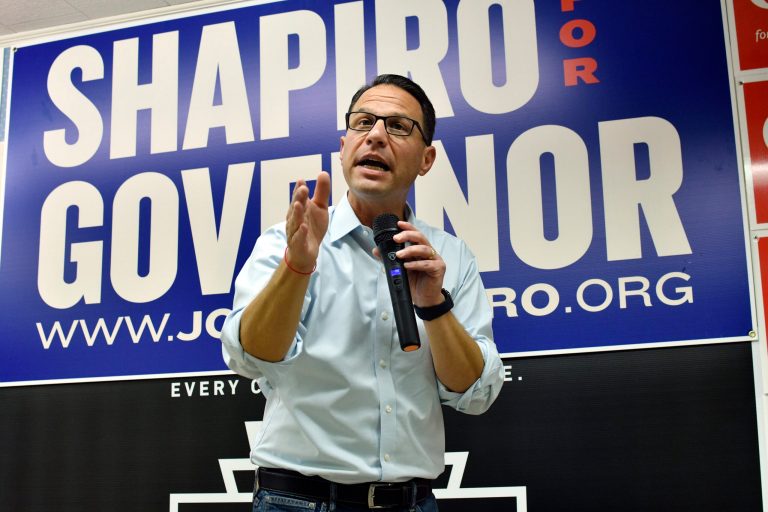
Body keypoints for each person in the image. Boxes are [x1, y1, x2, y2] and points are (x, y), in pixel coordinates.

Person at [220, 74, 504, 512]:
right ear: (343, 146)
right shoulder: (286, 241)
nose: (375, 136)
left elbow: (474, 393)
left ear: (426, 159)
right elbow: (251, 357)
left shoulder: (450, 256)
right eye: (363, 122)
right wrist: (298, 267)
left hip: (410, 502)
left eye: (397, 126)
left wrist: (434, 304)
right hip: (296, 501)